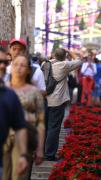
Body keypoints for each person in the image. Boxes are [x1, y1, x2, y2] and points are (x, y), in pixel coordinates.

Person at [3, 55, 45, 180]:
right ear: (10, 67)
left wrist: (40, 148)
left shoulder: (35, 92)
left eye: (23, 65)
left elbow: (41, 122)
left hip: (25, 138)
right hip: (4, 137)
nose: (18, 68)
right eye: (15, 64)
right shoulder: (3, 88)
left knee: (20, 175)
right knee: (4, 174)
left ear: (28, 70)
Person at [45, 48, 82, 161]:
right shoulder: (64, 65)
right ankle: (50, 154)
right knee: (54, 128)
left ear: (53, 55)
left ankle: (41, 151)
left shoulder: (45, 64)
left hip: (44, 99)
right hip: (57, 101)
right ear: (64, 57)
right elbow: (79, 61)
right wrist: (69, 51)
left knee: (45, 126)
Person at [0, 46, 28, 179]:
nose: (2, 66)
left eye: (4, 63)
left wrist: (23, 155)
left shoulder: (10, 95)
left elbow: (20, 126)